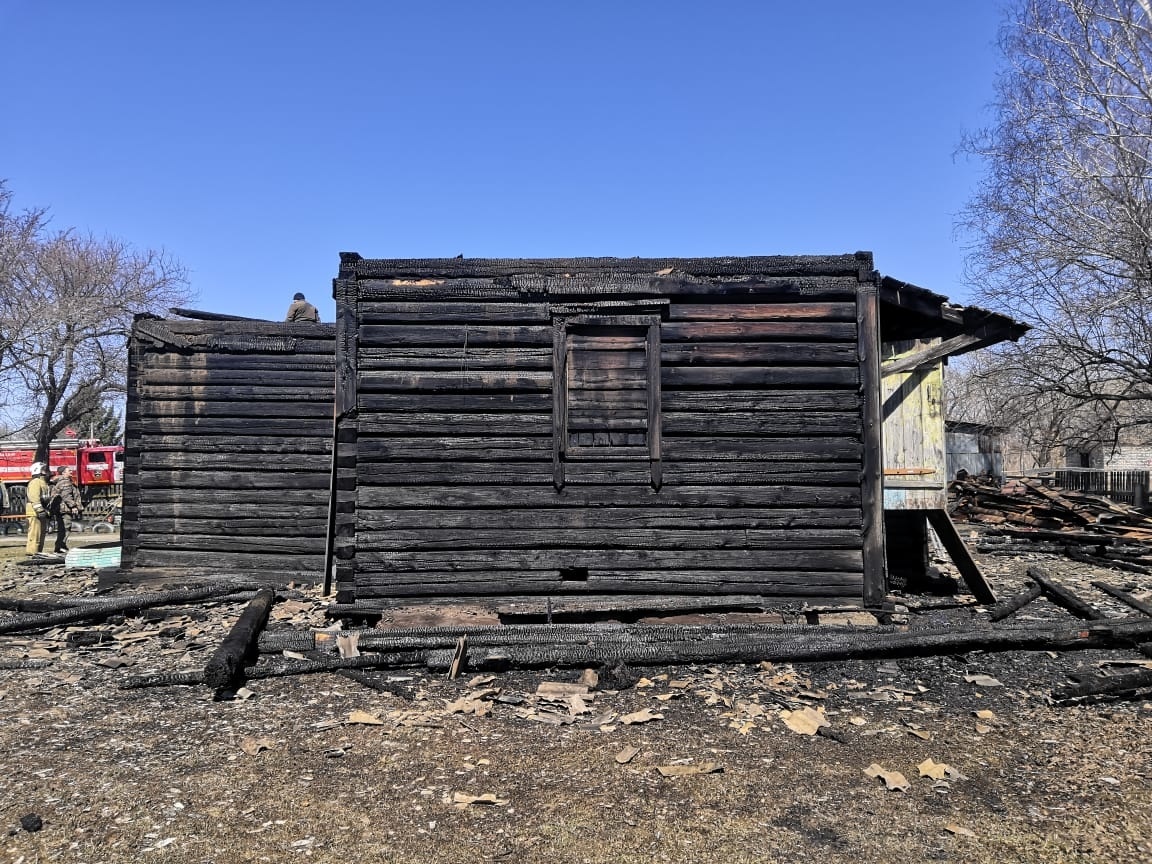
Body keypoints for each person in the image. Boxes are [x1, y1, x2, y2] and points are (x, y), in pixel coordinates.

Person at [49, 466, 82, 554]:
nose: (71, 471)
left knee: (63, 528)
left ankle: (61, 546)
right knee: (65, 528)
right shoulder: (65, 482)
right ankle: (60, 546)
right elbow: (66, 496)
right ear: (63, 473)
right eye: (69, 470)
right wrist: (73, 506)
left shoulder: (63, 481)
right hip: (64, 509)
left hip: (61, 509)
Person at [24, 462, 52, 556]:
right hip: (34, 512)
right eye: (45, 470)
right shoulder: (35, 482)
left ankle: (38, 552)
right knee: (35, 534)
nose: (48, 472)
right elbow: (34, 497)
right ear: (39, 471)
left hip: (41, 512)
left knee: (41, 534)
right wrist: (39, 510)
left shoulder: (43, 483)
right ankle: (32, 552)